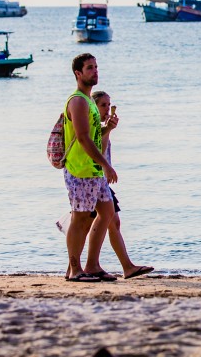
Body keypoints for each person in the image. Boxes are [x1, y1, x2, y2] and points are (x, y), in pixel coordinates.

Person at [62, 53, 118, 282]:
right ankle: (75, 270)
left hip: (93, 170)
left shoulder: (89, 103)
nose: (95, 72)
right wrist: (106, 164)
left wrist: (108, 129)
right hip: (80, 170)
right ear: (78, 74)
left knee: (107, 212)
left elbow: (94, 136)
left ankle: (92, 265)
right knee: (80, 218)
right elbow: (83, 139)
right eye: (89, 68)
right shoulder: (77, 101)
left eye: (96, 67)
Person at [91, 90, 154, 279]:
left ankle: (127, 267)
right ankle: (85, 266)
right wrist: (108, 130)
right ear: (94, 106)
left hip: (99, 179)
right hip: (94, 179)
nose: (107, 109)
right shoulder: (95, 127)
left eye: (109, 105)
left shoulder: (100, 126)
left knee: (113, 222)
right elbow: (99, 151)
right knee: (90, 223)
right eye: (103, 105)